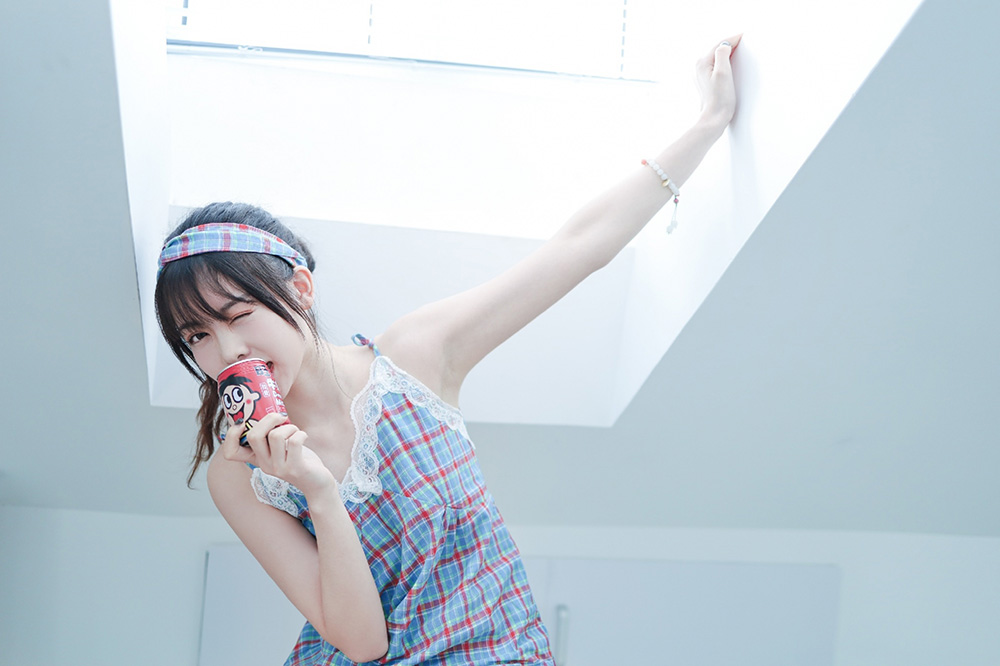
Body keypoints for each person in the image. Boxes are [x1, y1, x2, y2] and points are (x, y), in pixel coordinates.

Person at [154, 36, 740, 666]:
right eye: (196, 336)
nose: (225, 351)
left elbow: (577, 248)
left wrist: (709, 124)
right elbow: (362, 642)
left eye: (239, 315)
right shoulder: (238, 474)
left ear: (299, 289)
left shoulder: (412, 360)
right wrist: (317, 490)